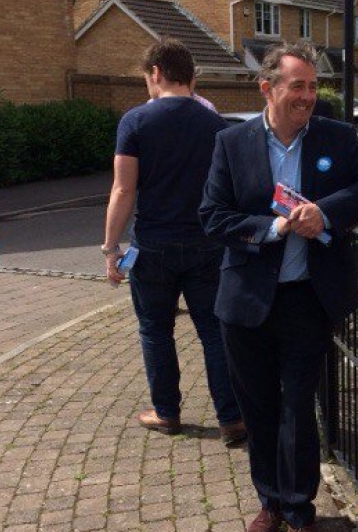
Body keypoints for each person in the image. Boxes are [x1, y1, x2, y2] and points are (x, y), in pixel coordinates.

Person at [200, 41, 358, 532]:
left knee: (297, 407)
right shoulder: (232, 143)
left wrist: (326, 212)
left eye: (313, 86)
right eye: (298, 86)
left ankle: (301, 509)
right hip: (246, 300)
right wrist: (273, 228)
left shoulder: (334, 136)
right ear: (268, 88)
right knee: (258, 408)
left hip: (308, 298)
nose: (308, 96)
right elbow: (213, 217)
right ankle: (269, 503)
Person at [102, 37, 246, 447]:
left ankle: (166, 412)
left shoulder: (134, 122)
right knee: (215, 332)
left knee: (155, 331)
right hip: (207, 244)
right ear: (192, 77)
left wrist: (111, 248)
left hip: (154, 247)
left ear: (156, 74)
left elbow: (122, 190)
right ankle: (232, 418)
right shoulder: (218, 126)